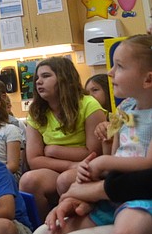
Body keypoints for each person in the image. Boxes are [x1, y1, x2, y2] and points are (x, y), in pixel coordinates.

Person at [40, 35, 152, 234]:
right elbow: (113, 152)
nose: (110, 72)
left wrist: (103, 165)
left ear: (148, 79)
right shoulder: (125, 108)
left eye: (119, 66)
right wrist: (100, 152)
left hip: (141, 196)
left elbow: (148, 163)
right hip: (116, 189)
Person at [19, 57, 106, 219]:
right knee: (28, 180)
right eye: (37, 78)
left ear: (64, 79)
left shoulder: (89, 105)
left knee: (65, 180)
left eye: (46, 76)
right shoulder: (36, 112)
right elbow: (34, 159)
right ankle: (46, 226)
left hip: (87, 166)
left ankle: (72, 226)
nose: (38, 82)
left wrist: (53, 150)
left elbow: (94, 152)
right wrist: (70, 164)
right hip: (61, 167)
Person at [27, 169, 152, 234]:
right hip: (117, 198)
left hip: (141, 203)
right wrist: (85, 192)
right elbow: (115, 160)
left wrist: (93, 191)